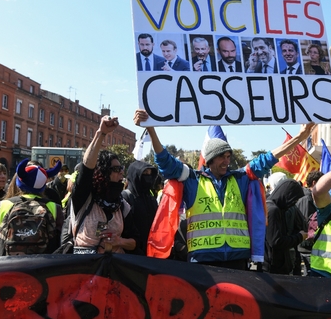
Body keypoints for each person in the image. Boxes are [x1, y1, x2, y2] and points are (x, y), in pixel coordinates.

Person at [134, 108, 315, 269]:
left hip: (238, 259)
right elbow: (165, 161)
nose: (226, 161)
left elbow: (267, 159)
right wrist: (151, 127)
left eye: (228, 156)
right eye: (222, 157)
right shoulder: (191, 180)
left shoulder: (241, 179)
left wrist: (299, 138)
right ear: (210, 160)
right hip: (203, 261)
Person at [69, 115, 138, 254]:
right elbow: (87, 168)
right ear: (103, 173)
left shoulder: (122, 206)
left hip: (113, 271)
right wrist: (101, 134)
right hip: (85, 270)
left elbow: (135, 242)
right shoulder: (84, 198)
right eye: (116, 169)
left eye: (122, 169)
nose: (121, 174)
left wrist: (119, 241)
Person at [0, 159, 63, 256]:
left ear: (19, 184)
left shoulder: (3, 204)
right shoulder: (54, 207)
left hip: (8, 264)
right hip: (43, 264)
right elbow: (59, 240)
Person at [264, 179, 306, 274]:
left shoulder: (277, 208)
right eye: (293, 199)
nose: (293, 203)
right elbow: (276, 241)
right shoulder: (273, 210)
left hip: (276, 265)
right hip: (273, 267)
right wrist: (299, 237)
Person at [122, 160, 159, 256]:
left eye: (150, 174)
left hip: (151, 254)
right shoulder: (125, 197)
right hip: (131, 256)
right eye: (145, 173)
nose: (148, 177)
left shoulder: (151, 199)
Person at [296, 170, 323, 275]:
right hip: (309, 246)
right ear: (314, 183)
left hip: (299, 243)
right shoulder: (311, 199)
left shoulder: (299, 197)